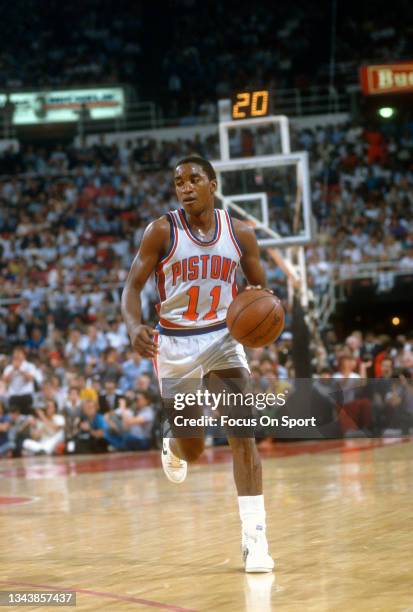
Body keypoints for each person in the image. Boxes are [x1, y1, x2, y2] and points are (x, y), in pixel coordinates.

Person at [122, 155, 274, 573]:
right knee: (194, 447)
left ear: (213, 183)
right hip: (174, 344)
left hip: (223, 338)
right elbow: (132, 286)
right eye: (178, 182)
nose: (185, 187)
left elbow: (261, 289)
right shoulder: (161, 231)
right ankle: (174, 444)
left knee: (243, 435)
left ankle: (255, 538)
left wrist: (262, 313)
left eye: (194, 179)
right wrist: (134, 325)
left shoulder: (240, 233)